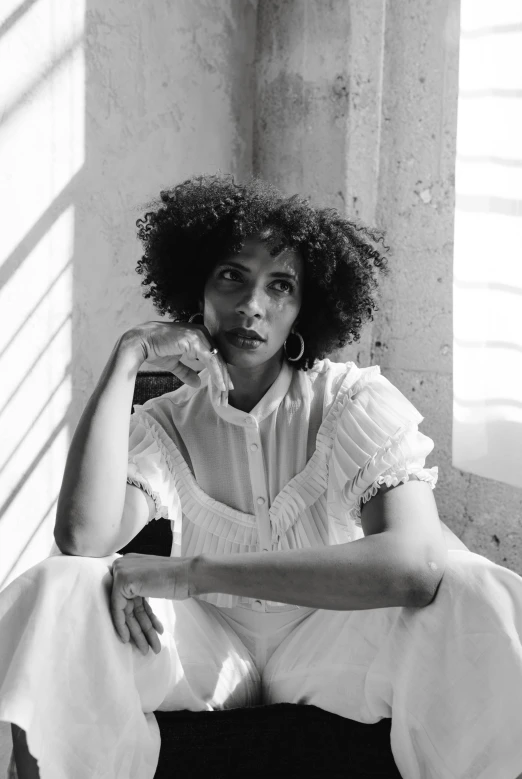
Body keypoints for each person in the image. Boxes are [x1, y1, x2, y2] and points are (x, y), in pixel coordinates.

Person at [1, 173, 521, 779]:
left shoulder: (351, 398)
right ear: (195, 287)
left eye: (280, 286)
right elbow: (83, 539)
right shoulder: (164, 422)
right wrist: (127, 358)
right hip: (206, 648)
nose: (252, 305)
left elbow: (414, 567)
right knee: (60, 585)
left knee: (478, 588)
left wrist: (190, 574)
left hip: (332, 645)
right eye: (231, 276)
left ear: (306, 306)